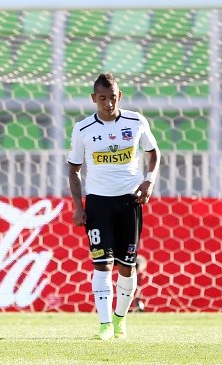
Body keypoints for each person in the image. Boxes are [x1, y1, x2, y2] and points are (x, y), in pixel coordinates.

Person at [68, 73, 160, 341]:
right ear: (94, 99)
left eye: (112, 97)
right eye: (102, 98)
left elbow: (153, 152)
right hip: (98, 203)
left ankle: (120, 319)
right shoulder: (83, 129)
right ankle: (105, 325)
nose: (108, 103)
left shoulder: (136, 121)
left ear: (119, 96)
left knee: (127, 266)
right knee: (102, 265)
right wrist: (78, 205)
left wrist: (149, 181)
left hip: (129, 201)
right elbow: (74, 169)